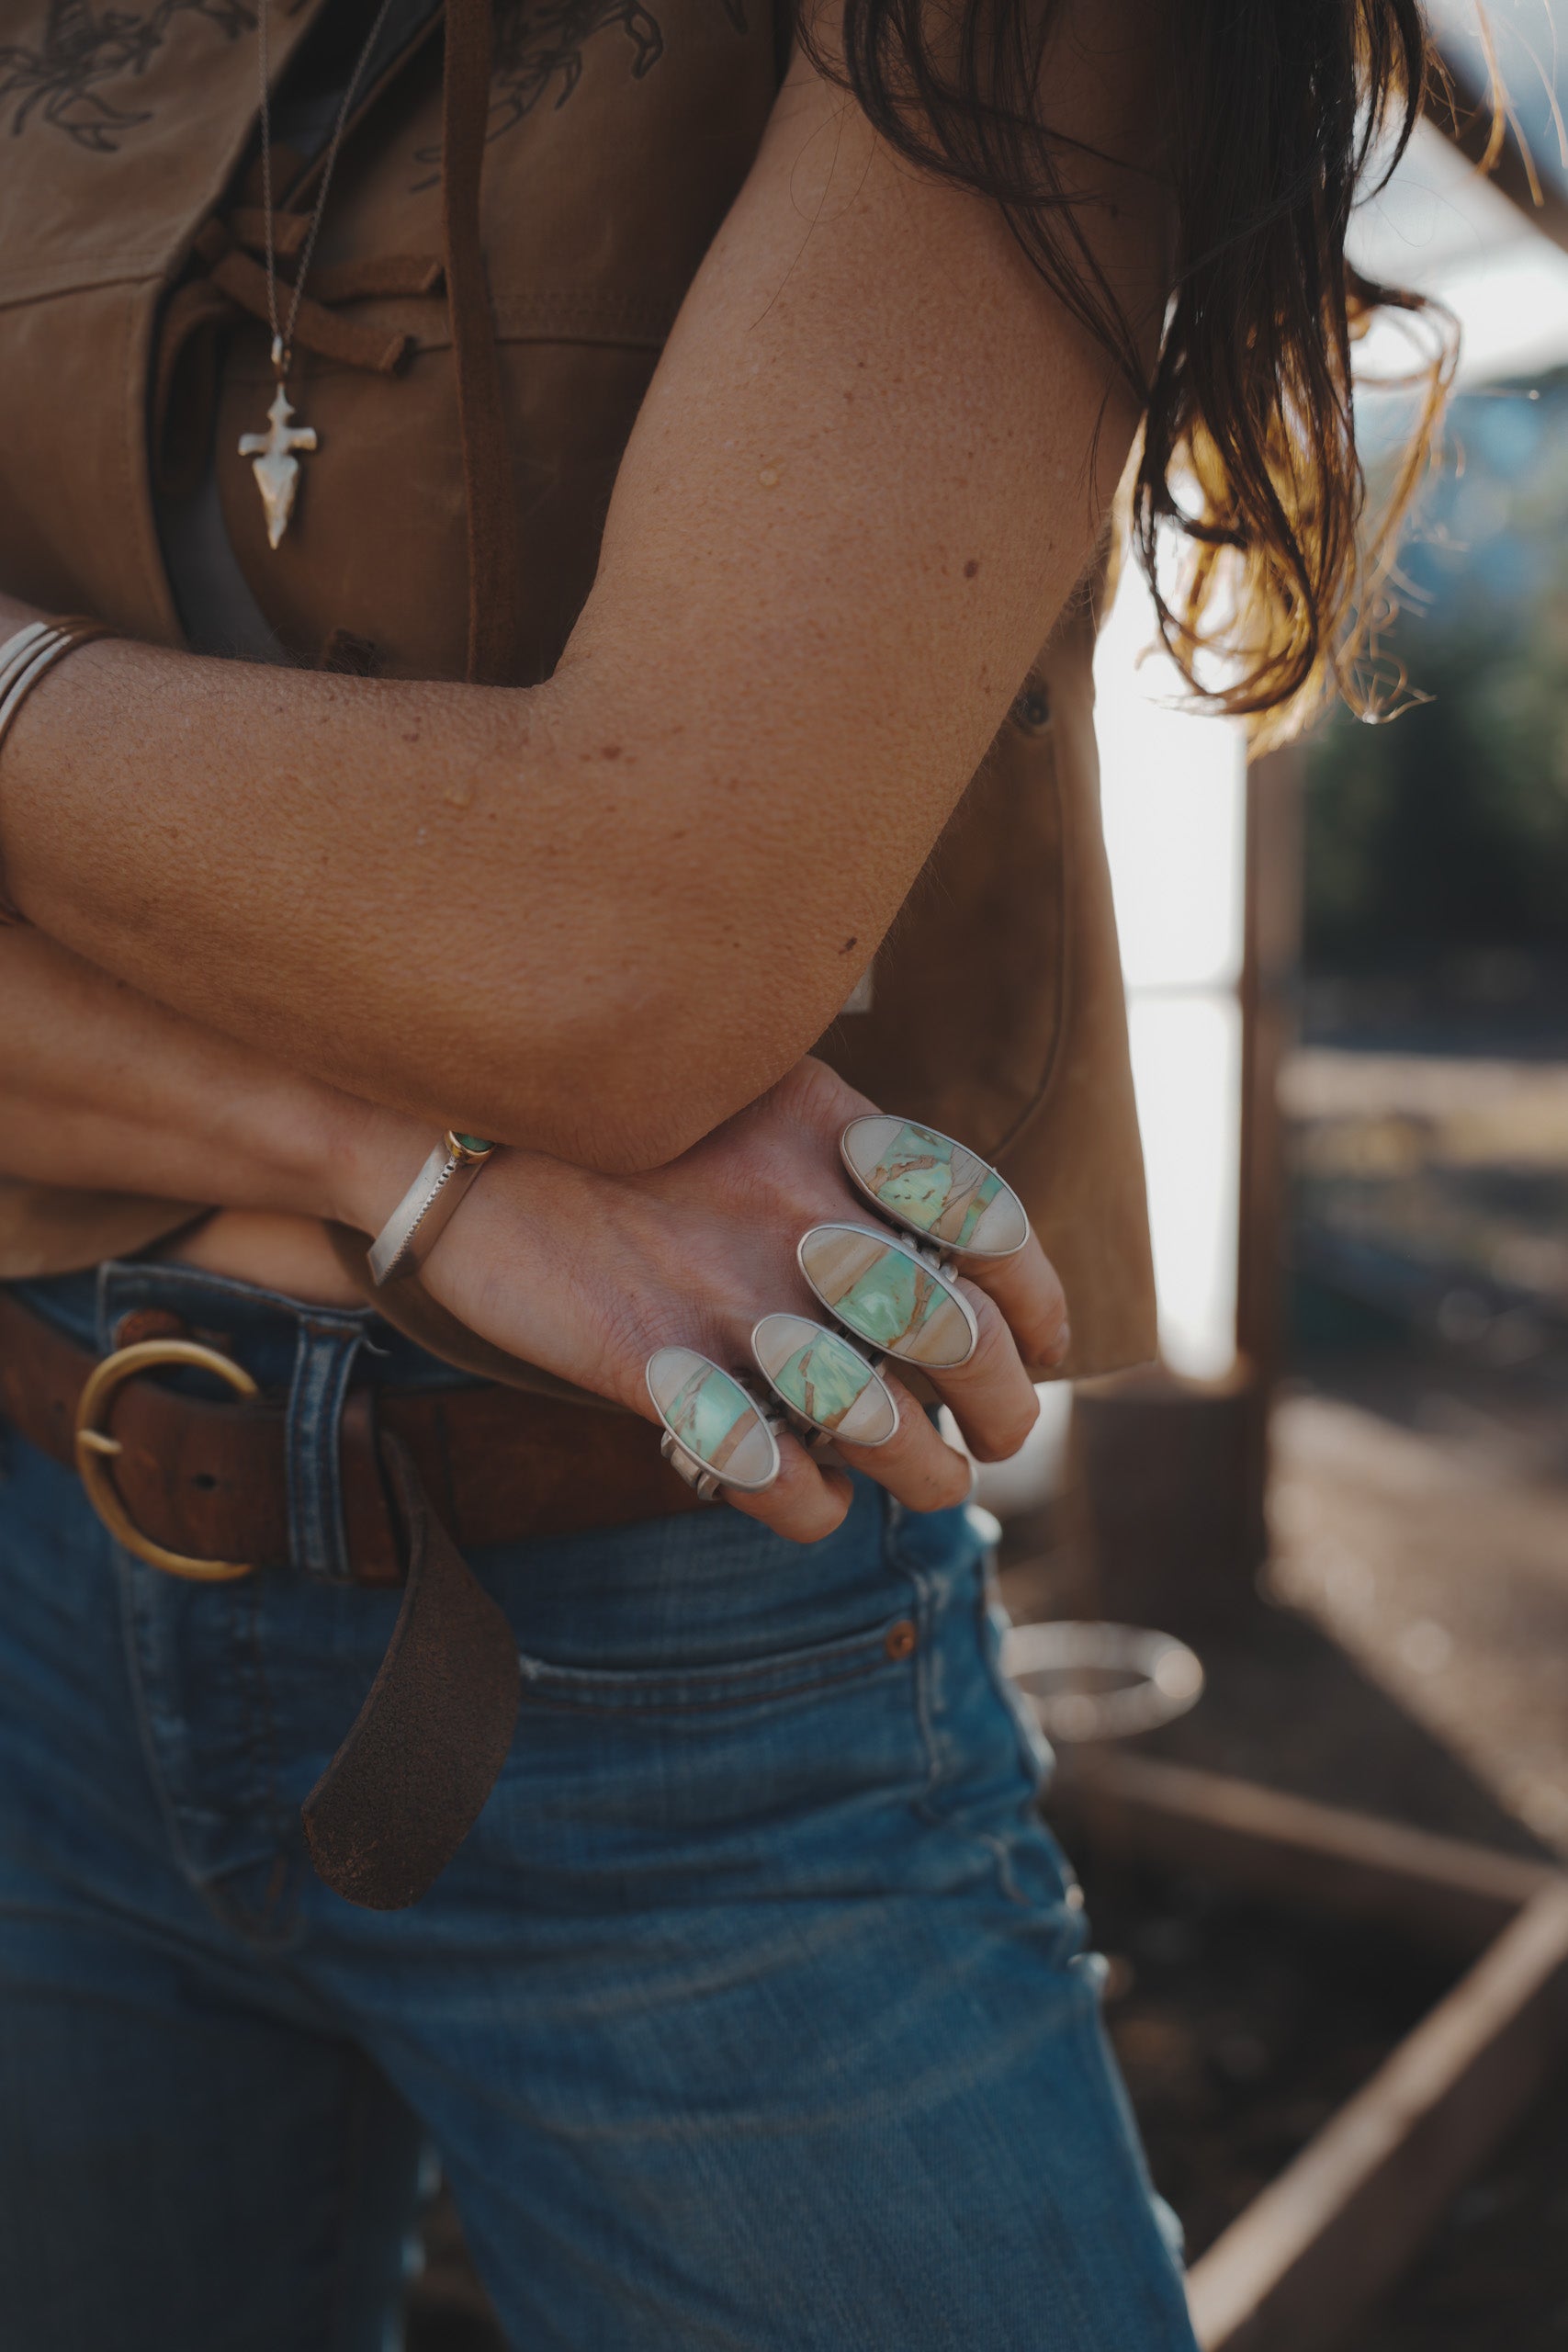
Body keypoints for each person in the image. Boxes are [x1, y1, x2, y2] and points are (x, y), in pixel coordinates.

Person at [0, 0, 1439, 2343]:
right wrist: (427, 1164)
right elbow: (550, 1007)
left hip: (681, 1663)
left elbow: (616, 956)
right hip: (33, 1559)